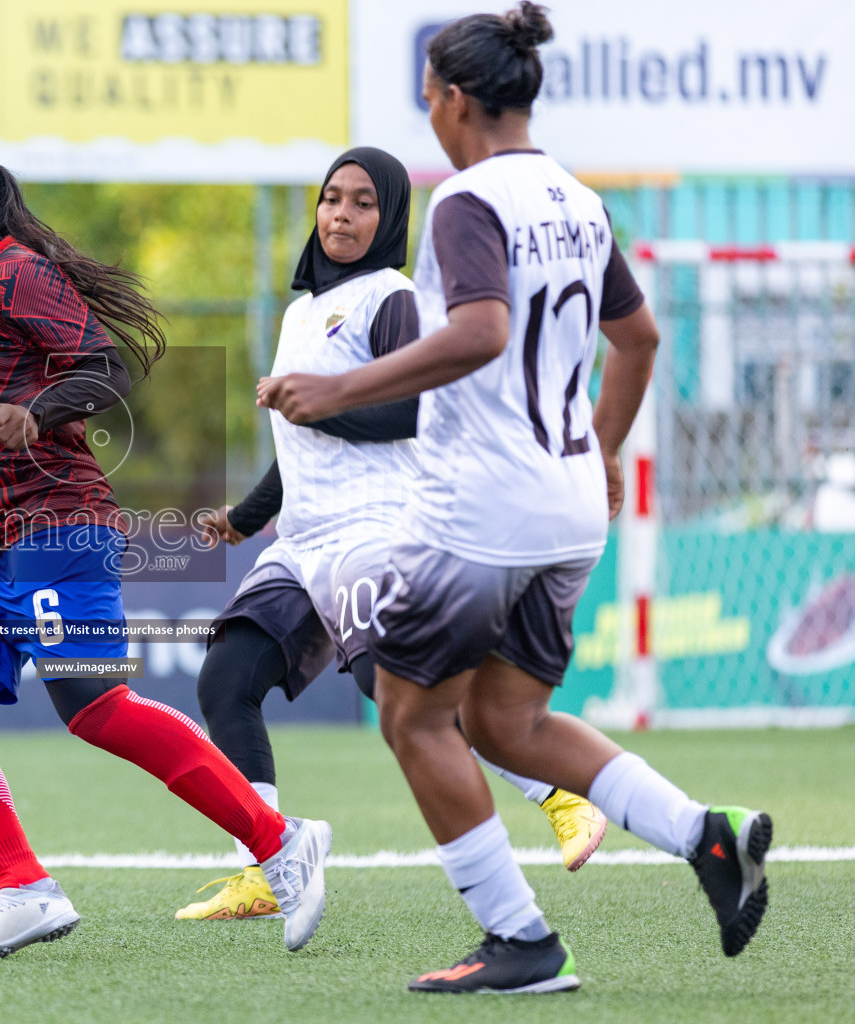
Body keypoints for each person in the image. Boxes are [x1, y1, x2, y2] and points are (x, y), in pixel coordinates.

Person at [258, 3, 770, 994]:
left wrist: (337, 387)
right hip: (569, 504)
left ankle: (521, 940)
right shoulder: (579, 199)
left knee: (412, 718)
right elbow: (642, 340)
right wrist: (604, 451)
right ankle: (706, 837)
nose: (431, 120)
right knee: (508, 720)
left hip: (483, 509)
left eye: (429, 102)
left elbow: (483, 331)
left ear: (455, 99)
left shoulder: (465, 200)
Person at [0, 124, 331, 962]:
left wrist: (41, 412)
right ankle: (23, 887)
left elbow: (104, 367)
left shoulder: (18, 273)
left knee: (95, 709)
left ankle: (280, 840)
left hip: (57, 529)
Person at [175, 147, 606, 924]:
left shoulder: (392, 297)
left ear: (390, 219)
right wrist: (245, 516)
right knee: (225, 682)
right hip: (302, 542)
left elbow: (418, 411)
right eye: (331, 198)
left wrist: (322, 406)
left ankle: (559, 791)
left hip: (377, 531)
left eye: (362, 203)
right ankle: (270, 861)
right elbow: (299, 438)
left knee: (400, 692)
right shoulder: (300, 312)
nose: (341, 214)